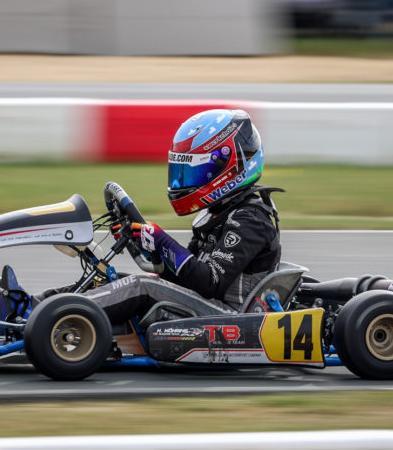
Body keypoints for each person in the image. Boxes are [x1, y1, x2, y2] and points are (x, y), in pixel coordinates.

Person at [80, 108, 283, 325]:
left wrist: (161, 240)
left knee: (141, 286)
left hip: (233, 316)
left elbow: (209, 282)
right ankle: (48, 303)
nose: (182, 181)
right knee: (117, 281)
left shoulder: (251, 220)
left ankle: (62, 315)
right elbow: (186, 279)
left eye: (196, 171)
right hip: (208, 304)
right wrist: (145, 245)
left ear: (231, 166)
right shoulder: (219, 214)